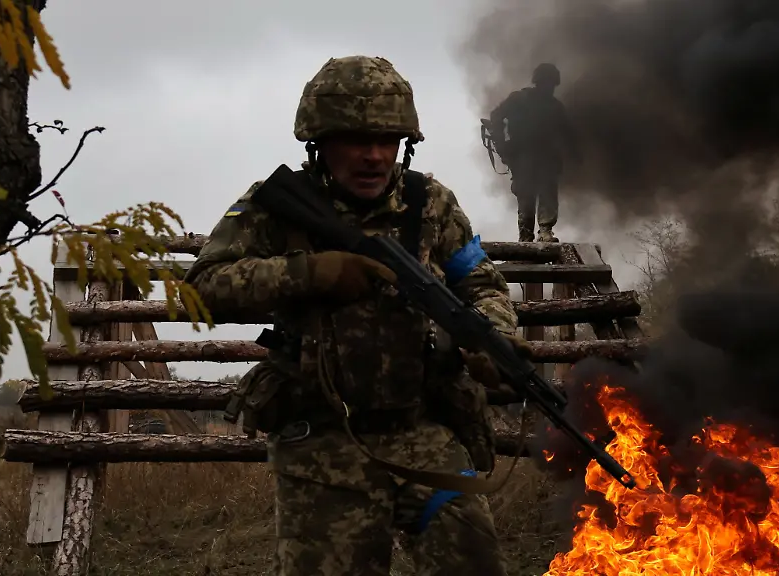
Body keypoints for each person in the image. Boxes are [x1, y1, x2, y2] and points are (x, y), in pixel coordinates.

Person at [183, 55, 532, 576]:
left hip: (423, 431)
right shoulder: (276, 206)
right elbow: (200, 289)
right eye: (355, 139)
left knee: (474, 561)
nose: (373, 156)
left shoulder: (429, 203)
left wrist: (493, 338)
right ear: (319, 141)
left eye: (387, 141)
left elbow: (480, 281)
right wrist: (309, 274)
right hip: (323, 444)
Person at [488, 62, 579, 243]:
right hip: (523, 155)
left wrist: (575, 153)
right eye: (547, 83)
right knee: (526, 196)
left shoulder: (555, 107)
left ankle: (545, 231)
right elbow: (496, 116)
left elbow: (567, 133)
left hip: (546, 157)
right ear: (539, 82)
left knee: (547, 193)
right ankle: (526, 235)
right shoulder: (519, 99)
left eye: (552, 84)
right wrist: (502, 144)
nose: (550, 88)